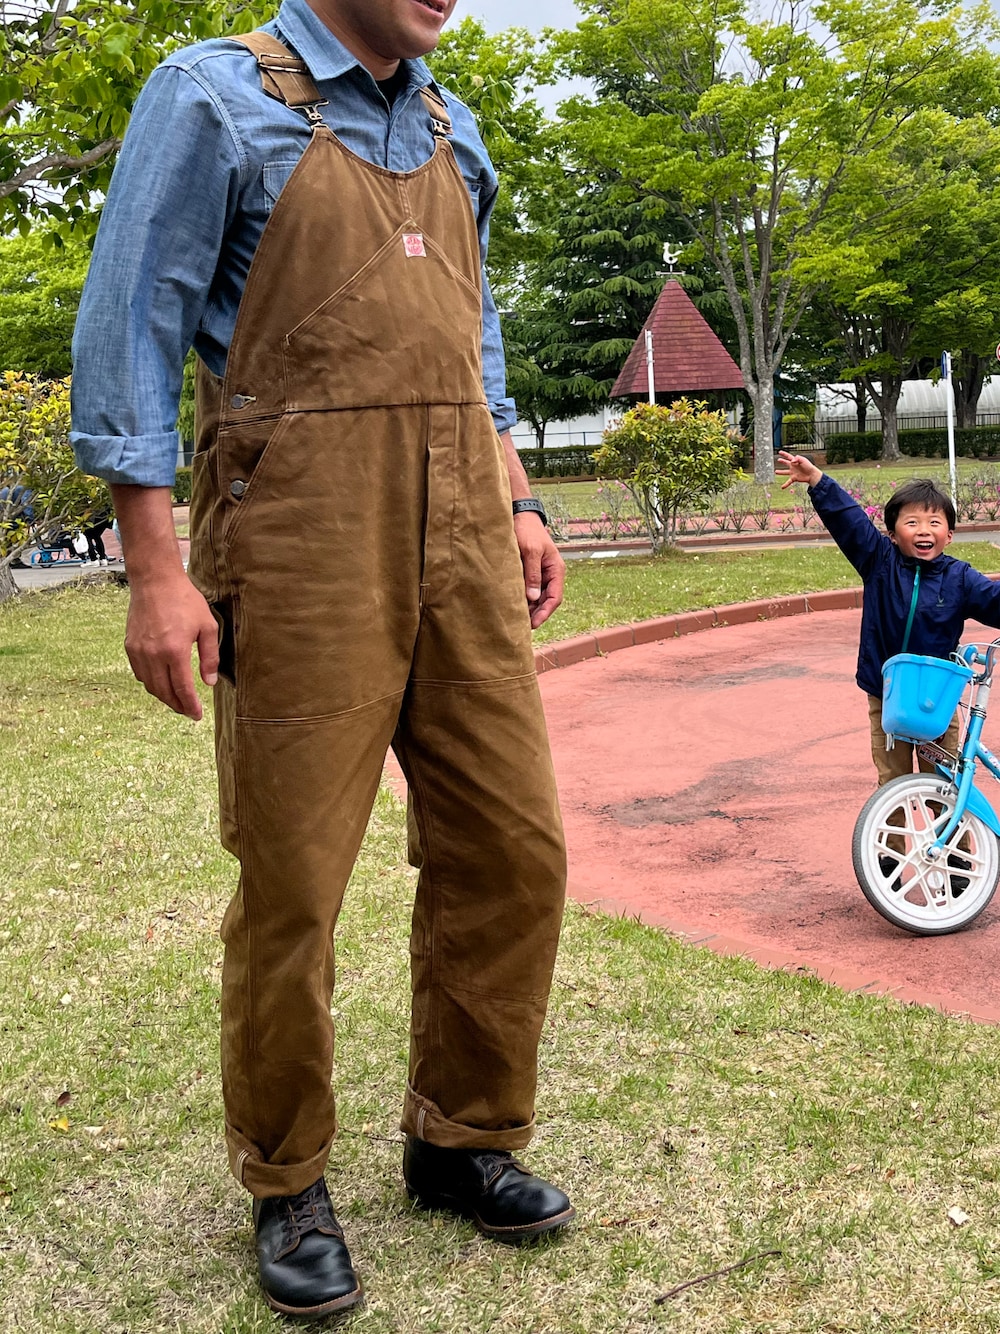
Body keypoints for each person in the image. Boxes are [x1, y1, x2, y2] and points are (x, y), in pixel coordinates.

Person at [70, 0, 573, 1319]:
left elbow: (472, 329)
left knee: (512, 849)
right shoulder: (210, 97)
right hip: (298, 537)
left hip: (467, 528)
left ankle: (460, 1135)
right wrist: (156, 568)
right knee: (295, 880)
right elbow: (131, 322)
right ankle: (287, 1176)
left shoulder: (453, 125)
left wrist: (516, 492)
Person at [776, 452, 1000, 784]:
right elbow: (851, 523)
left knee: (944, 785)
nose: (924, 530)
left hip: (936, 699)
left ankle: (946, 820)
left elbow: (994, 601)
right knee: (892, 782)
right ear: (893, 534)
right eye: (912, 523)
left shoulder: (960, 578)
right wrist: (817, 481)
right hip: (887, 695)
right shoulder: (879, 562)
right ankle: (892, 821)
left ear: (950, 534)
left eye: (934, 523)